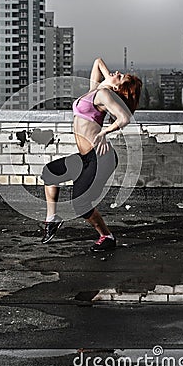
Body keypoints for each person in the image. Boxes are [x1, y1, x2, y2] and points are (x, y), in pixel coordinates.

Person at [40, 58, 142, 251]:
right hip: (87, 157)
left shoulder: (104, 94)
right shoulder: (96, 90)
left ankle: (107, 236)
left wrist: (103, 133)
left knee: (80, 203)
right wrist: (111, 79)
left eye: (120, 77)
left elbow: (125, 118)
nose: (117, 72)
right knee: (50, 173)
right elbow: (97, 62)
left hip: (101, 158)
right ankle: (52, 219)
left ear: (116, 89)